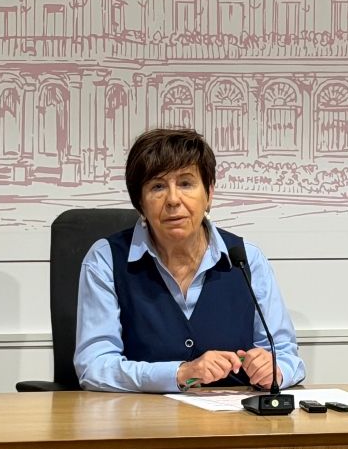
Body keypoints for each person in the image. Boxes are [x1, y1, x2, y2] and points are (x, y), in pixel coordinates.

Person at [74, 127, 305, 393]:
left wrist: (274, 369)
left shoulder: (246, 259)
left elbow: (287, 356)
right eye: (158, 186)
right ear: (140, 202)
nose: (173, 199)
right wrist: (181, 373)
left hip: (235, 425)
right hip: (141, 423)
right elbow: (94, 367)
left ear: (209, 194)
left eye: (186, 183)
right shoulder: (105, 260)